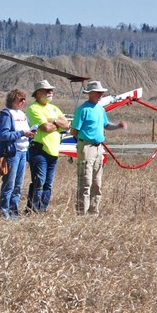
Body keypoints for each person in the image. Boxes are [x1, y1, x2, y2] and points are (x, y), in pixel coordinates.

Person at [70, 80, 127, 215]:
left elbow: (106, 125)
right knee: (85, 181)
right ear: (90, 94)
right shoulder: (83, 110)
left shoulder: (100, 109)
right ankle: (81, 214)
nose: (101, 95)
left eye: (102, 92)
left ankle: (94, 212)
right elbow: (74, 130)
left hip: (98, 148)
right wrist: (82, 143)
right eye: (98, 92)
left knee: (97, 183)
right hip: (87, 147)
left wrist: (118, 126)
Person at [25, 80, 70, 213]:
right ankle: (32, 209)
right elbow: (46, 127)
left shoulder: (54, 108)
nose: (50, 92)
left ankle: (42, 209)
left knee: (48, 184)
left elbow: (67, 125)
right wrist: (56, 123)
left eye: (51, 90)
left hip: (53, 152)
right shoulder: (33, 108)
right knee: (39, 182)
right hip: (39, 150)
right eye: (47, 90)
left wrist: (53, 121)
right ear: (38, 93)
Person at [0, 89, 36, 219]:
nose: (23, 102)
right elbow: (3, 135)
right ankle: (3, 211)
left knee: (18, 185)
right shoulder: (6, 114)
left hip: (23, 151)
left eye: (24, 99)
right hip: (12, 153)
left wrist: (30, 134)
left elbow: (25, 131)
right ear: (13, 99)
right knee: (9, 184)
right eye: (21, 99)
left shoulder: (23, 115)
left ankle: (14, 212)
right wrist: (22, 133)